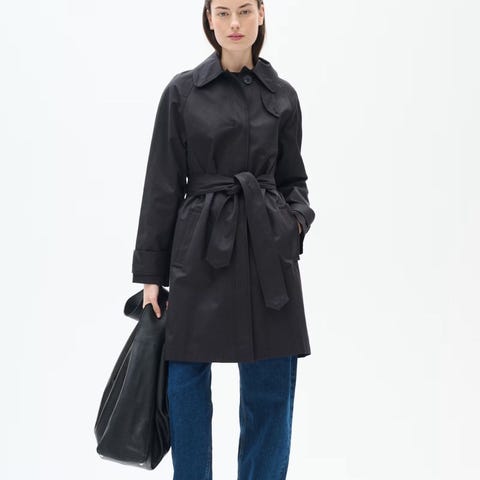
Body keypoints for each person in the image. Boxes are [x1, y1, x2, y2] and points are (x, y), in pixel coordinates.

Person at [131, 1, 315, 478]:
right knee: (185, 381)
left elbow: (294, 179)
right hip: (198, 248)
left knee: (271, 388)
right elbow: (162, 185)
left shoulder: (283, 96)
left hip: (268, 253)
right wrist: (151, 275)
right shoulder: (182, 93)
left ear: (261, 15)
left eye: (245, 11)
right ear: (209, 18)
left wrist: (294, 223)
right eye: (224, 12)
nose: (235, 23)